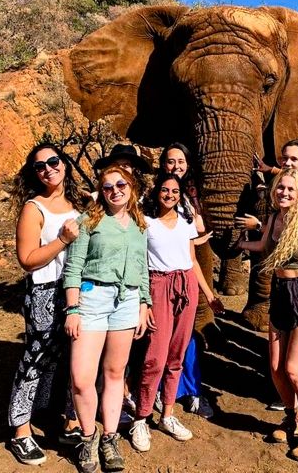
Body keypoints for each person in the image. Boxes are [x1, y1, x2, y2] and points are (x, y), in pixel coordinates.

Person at [237, 168, 298, 461]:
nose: (285, 193)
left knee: (294, 368)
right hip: (280, 292)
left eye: (291, 189)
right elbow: (264, 246)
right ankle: (294, 419)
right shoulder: (274, 218)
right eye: (281, 188)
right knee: (277, 367)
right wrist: (237, 243)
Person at [63, 166, 151, 473]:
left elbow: (143, 271)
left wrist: (143, 304)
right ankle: (88, 437)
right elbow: (73, 269)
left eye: (121, 184)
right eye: (108, 186)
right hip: (92, 300)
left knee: (115, 373)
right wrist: (73, 309)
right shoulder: (88, 221)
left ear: (131, 187)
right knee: (82, 377)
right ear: (101, 191)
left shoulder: (140, 226)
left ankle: (109, 439)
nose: (115, 190)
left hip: (127, 302)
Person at [130, 173, 223, 453]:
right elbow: (138, 264)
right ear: (157, 192)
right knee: (154, 357)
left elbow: (193, 262)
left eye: (174, 190)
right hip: (158, 285)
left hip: (187, 287)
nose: (169, 194)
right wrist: (142, 301)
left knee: (177, 355)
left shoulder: (186, 224)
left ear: (180, 194)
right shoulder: (145, 224)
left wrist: (209, 294)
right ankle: (141, 418)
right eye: (165, 189)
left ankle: (167, 414)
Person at [9, 142, 85, 466]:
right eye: (40, 166)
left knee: (71, 357)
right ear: (35, 174)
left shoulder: (79, 203)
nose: (48, 168)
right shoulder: (33, 208)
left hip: (77, 291)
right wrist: (62, 241)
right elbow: (27, 260)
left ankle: (66, 420)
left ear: (64, 163)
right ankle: (21, 432)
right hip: (43, 292)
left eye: (53, 161)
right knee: (36, 358)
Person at [159, 142, 214, 418]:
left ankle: (192, 391)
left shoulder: (190, 198)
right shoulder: (154, 197)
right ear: (163, 164)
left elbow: (198, 232)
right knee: (158, 340)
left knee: (187, 338)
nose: (176, 166)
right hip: (158, 280)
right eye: (171, 161)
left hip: (185, 277)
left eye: (181, 162)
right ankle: (160, 392)